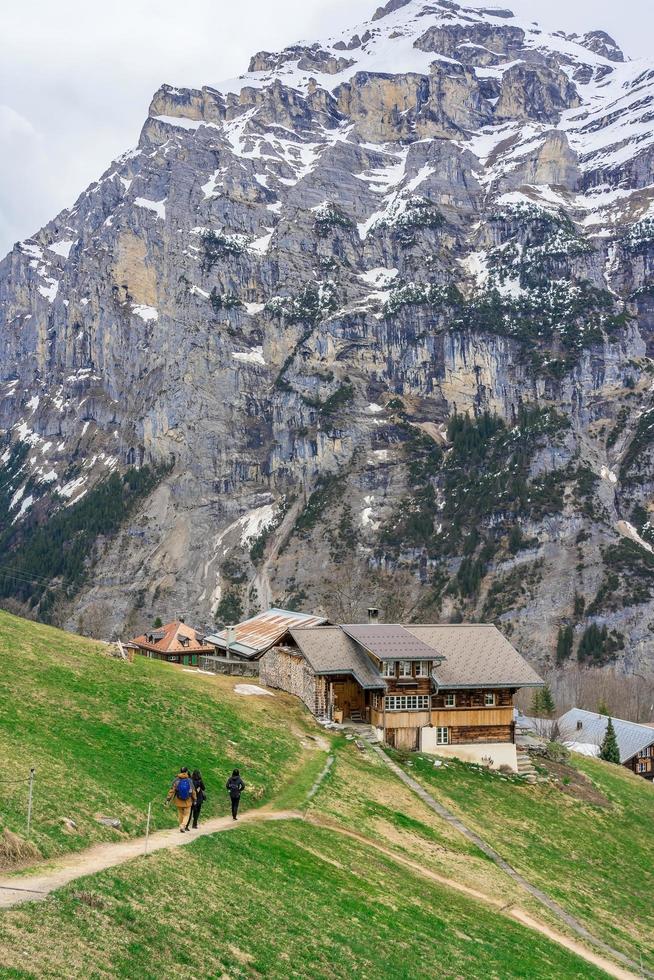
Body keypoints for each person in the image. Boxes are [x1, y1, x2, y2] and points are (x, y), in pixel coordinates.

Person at [166, 766, 196, 832]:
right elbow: (193, 791)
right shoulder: (189, 780)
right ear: (186, 771)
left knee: (180, 814)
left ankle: (181, 825)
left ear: (180, 771)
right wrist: (195, 799)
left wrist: (168, 798)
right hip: (188, 800)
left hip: (178, 800)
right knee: (187, 814)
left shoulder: (176, 780)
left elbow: (172, 790)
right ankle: (183, 826)